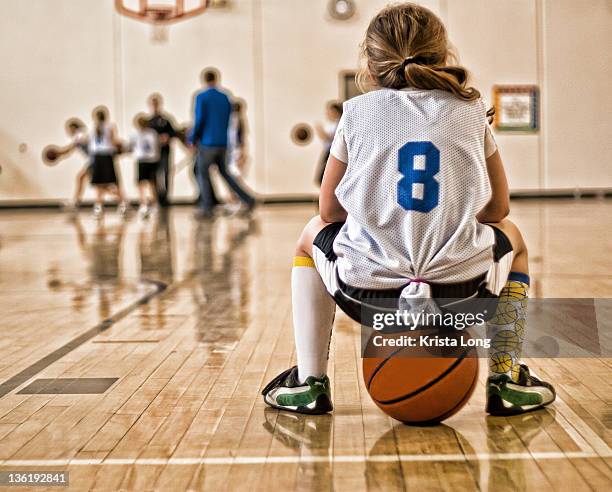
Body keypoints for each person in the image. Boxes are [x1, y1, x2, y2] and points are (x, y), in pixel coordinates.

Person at [261, 3, 555, 416]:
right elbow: (497, 208)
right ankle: (506, 378)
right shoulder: (471, 112)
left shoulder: (356, 112)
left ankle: (310, 381)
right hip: (464, 292)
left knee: (311, 232)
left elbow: (328, 210)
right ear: (443, 55)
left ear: (370, 61)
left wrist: (379, 223)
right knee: (515, 238)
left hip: (369, 295)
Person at [190, 68, 256, 218]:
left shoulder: (201, 97)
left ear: (204, 80)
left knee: (201, 172)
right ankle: (248, 198)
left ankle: (207, 207)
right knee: (225, 174)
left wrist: (193, 138)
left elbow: (200, 119)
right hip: (223, 143)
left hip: (207, 143)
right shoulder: (226, 97)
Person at [88, 106, 128, 220]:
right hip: (107, 156)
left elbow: (89, 143)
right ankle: (122, 205)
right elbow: (114, 141)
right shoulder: (110, 125)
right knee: (114, 183)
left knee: (99, 185)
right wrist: (125, 145)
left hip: (96, 157)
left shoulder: (91, 127)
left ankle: (98, 207)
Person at [146, 94, 177, 207]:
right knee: (153, 175)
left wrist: (167, 136)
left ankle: (165, 197)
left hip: (164, 151)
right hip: (152, 154)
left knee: (165, 173)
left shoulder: (166, 120)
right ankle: (156, 197)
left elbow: (174, 133)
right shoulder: (148, 122)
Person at [130, 114, 160, 219]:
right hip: (152, 160)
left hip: (143, 160)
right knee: (151, 183)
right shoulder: (153, 133)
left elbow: (132, 147)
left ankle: (144, 204)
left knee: (142, 184)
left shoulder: (136, 134)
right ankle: (154, 204)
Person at [314, 101, 343, 186]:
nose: (327, 114)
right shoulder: (333, 123)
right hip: (328, 151)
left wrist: (320, 130)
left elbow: (331, 138)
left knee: (324, 177)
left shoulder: (340, 123)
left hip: (332, 152)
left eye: (329, 111)